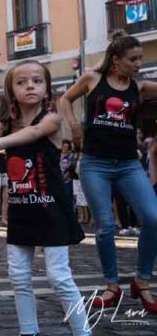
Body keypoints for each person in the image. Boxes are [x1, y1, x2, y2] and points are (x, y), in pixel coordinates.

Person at [0, 59, 90, 336]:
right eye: (21, 82)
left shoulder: (51, 119)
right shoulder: (4, 126)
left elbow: (33, 133)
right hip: (22, 212)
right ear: (11, 91)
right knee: (19, 278)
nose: (30, 86)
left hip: (52, 210)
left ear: (47, 89)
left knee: (59, 276)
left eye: (37, 80)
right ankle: (27, 334)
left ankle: (83, 334)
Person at [60, 32, 157, 314]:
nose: (139, 64)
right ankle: (112, 285)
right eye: (133, 59)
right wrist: (74, 126)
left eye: (140, 58)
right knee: (103, 226)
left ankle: (142, 279)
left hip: (128, 163)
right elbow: (65, 99)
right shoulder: (92, 79)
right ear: (116, 61)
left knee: (152, 217)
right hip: (95, 163)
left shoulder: (138, 88)